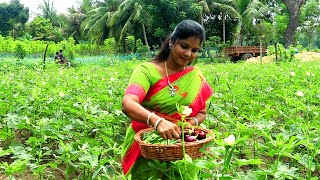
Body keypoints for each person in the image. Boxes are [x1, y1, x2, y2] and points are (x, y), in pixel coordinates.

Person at [121, 19, 213, 179]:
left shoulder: (194, 76)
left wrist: (190, 124)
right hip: (148, 146)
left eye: (195, 50)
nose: (188, 54)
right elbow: (128, 103)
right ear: (172, 41)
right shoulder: (147, 71)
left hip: (182, 147)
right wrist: (157, 122)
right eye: (184, 46)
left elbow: (202, 113)